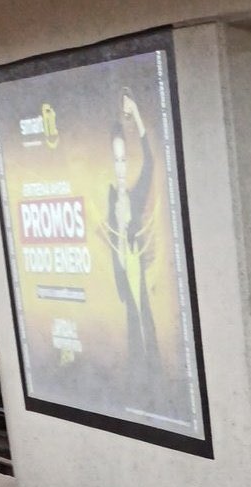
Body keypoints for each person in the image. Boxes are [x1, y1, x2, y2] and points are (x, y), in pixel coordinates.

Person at [105, 91, 159, 383]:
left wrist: (136, 114)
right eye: (116, 160)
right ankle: (140, 377)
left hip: (137, 267)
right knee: (133, 324)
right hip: (124, 275)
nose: (121, 167)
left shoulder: (136, 195)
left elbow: (150, 161)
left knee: (144, 319)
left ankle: (153, 374)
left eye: (124, 159)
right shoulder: (111, 197)